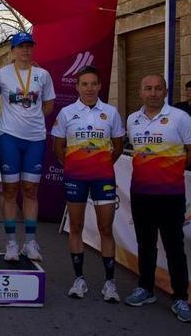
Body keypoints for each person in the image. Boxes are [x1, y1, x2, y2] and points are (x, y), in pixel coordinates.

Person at [124, 74, 191, 323]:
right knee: (145, 245)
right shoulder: (132, 120)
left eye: (158, 88)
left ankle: (180, 298)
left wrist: (169, 168)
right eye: (148, 88)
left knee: (174, 248)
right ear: (141, 92)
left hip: (171, 195)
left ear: (166, 91)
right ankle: (145, 289)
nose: (153, 93)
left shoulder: (180, 118)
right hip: (141, 194)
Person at [51, 66, 124, 302]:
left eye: (94, 84)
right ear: (77, 87)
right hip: (76, 178)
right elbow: (58, 147)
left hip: (103, 178)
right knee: (76, 227)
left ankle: (109, 284)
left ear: (100, 86)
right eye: (85, 84)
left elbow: (118, 146)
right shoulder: (66, 113)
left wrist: (101, 164)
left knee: (105, 228)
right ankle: (79, 279)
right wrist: (74, 165)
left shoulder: (111, 112)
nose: (89, 88)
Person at [0, 31, 56, 261]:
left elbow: (48, 104)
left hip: (36, 139)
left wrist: (33, 117)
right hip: (9, 137)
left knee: (30, 190)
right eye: (21, 47)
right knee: (9, 190)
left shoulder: (43, 74)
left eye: (29, 46)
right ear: (13, 50)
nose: (26, 50)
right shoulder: (1, 75)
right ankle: (10, 243)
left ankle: (30, 242)